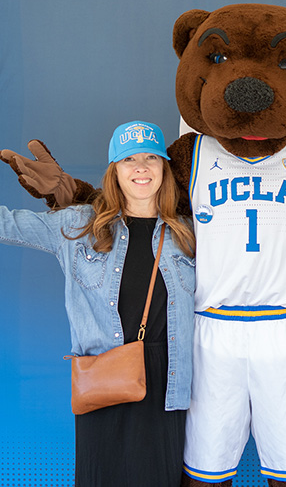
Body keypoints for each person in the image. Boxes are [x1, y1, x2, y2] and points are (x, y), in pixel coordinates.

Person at [0, 121, 196, 486]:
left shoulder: (189, 232)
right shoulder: (78, 225)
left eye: (151, 158)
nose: (141, 167)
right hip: (103, 377)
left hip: (168, 381)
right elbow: (7, 224)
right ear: (115, 172)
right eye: (129, 160)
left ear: (164, 170)